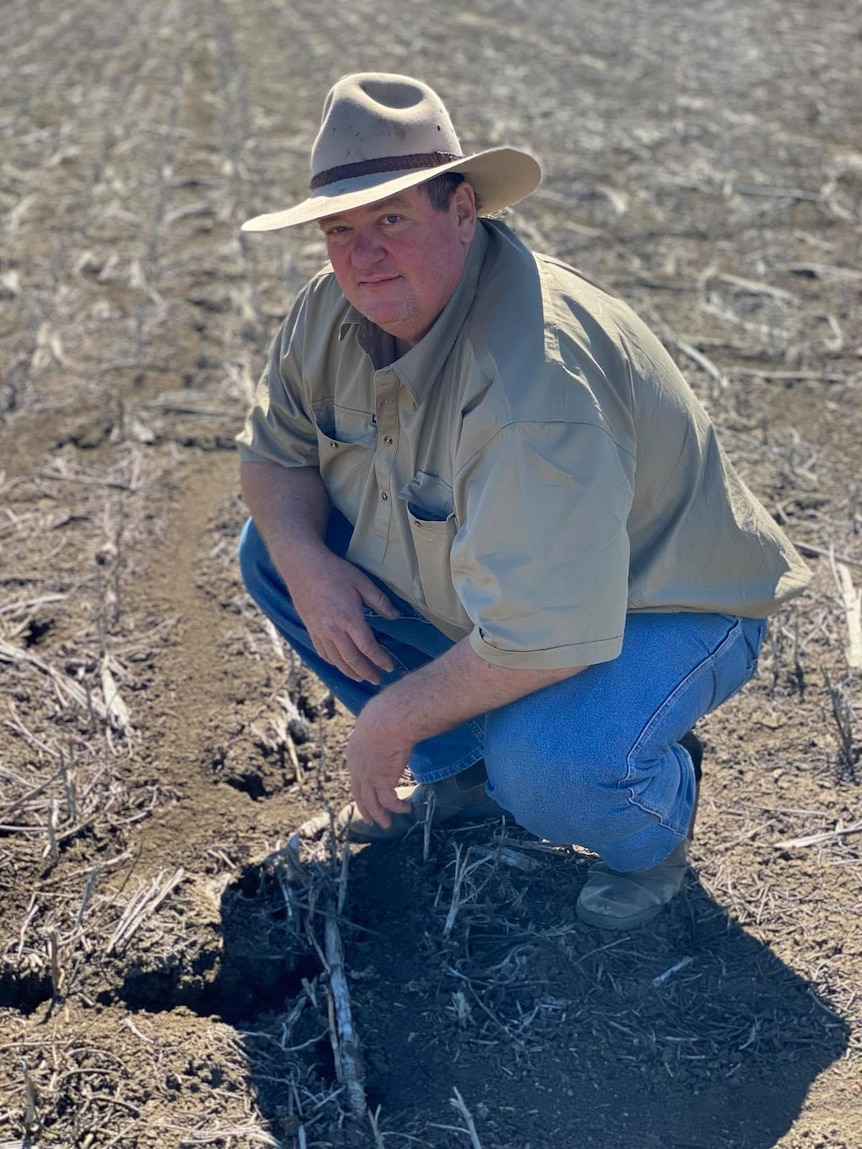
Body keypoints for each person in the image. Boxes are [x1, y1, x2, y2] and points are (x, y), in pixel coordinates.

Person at [235, 73, 810, 930]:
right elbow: (274, 462)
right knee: (272, 553)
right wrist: (309, 563)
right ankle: (462, 772)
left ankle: (651, 828)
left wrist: (390, 717)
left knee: (550, 765)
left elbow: (541, 635)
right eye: (341, 229)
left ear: (462, 209)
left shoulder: (533, 386)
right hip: (516, 591)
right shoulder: (329, 314)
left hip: (667, 598)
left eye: (392, 218)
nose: (364, 253)